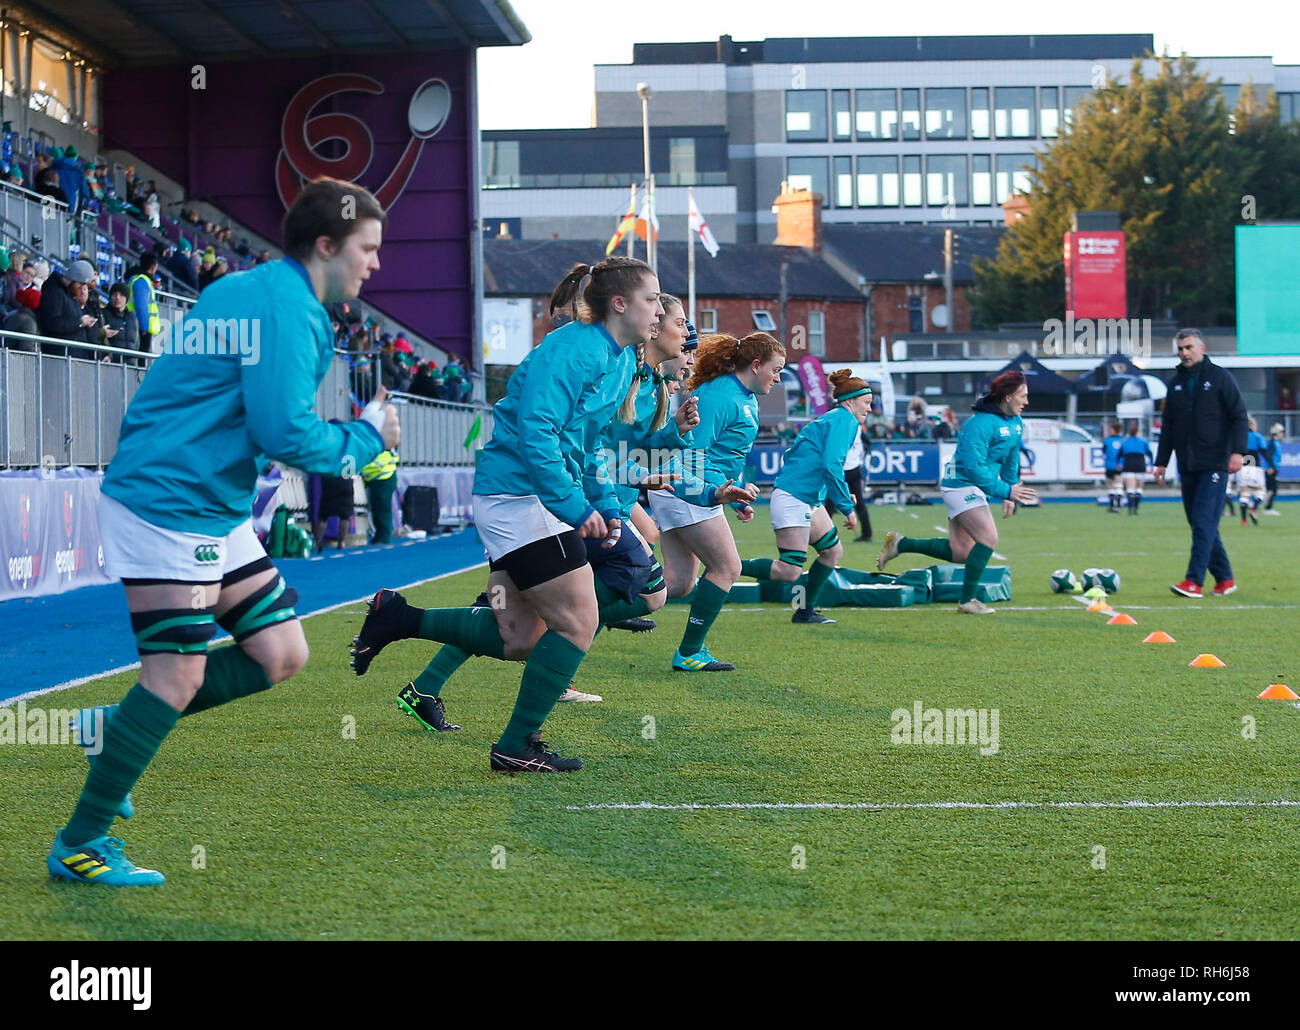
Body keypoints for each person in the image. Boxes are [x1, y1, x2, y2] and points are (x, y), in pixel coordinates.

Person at [45, 177, 399, 886]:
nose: (376, 264)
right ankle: (80, 843)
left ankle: (114, 731)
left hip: (202, 496)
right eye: (368, 248)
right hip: (171, 501)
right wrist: (365, 437)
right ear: (327, 246)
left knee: (280, 651)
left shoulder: (255, 288)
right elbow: (285, 433)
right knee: (176, 677)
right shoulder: (290, 309)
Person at [349, 256, 663, 772]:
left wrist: (604, 503)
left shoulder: (622, 358)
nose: (658, 310)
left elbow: (587, 443)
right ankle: (516, 746)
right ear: (621, 304)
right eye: (652, 299)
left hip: (529, 500)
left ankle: (398, 617)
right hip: (520, 499)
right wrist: (574, 506)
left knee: (519, 637)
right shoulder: (574, 349)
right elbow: (537, 433)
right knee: (579, 621)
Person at [650, 331, 780, 671]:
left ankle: (593, 607)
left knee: (677, 584)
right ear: (755, 365)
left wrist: (734, 496)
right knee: (728, 568)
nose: (778, 378)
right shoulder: (722, 394)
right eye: (775, 369)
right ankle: (690, 653)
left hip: (688, 490)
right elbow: (692, 453)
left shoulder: (745, 397)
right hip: (687, 489)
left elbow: (724, 457)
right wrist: (713, 492)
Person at [877, 370, 1038, 614]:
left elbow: (1011, 458)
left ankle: (901, 544)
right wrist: (1005, 489)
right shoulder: (979, 424)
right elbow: (973, 468)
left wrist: (1010, 488)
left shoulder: (1016, 423)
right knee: (988, 538)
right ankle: (967, 601)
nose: (1026, 401)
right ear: (1007, 396)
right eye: (1022, 396)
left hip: (974, 485)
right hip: (960, 484)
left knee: (962, 552)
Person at [741, 370, 872, 624]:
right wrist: (846, 507)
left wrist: (840, 496)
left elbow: (795, 455)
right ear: (850, 400)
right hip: (794, 498)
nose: (870, 407)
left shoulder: (834, 419)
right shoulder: (845, 420)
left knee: (832, 552)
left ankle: (805, 612)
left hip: (805, 498)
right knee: (789, 570)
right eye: (866, 402)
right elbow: (832, 465)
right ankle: (725, 564)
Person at [1154, 328, 1248, 598]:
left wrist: (1238, 452)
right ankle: (1225, 579)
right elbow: (1168, 426)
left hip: (1215, 463)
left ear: (1202, 348)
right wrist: (1162, 461)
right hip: (1187, 464)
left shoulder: (1221, 378)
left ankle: (1194, 581)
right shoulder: (1175, 384)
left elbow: (1239, 417)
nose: (1184, 353)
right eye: (1180, 348)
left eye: (1188, 347)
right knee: (1199, 522)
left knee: (1204, 521)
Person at [36, 260, 100, 357]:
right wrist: (80, 322)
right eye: (81, 284)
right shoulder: (54, 292)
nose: (82, 289)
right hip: (60, 356)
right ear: (73, 279)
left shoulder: (70, 294)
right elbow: (52, 323)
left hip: (74, 356)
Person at [840, 419, 873, 542]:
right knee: (859, 503)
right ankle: (867, 533)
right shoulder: (858, 428)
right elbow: (867, 443)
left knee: (831, 504)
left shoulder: (838, 428)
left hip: (842, 469)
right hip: (854, 468)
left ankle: (823, 534)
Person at [1236, 416, 1270, 526]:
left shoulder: (1240, 437)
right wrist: (1272, 465)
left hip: (1242, 468)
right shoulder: (1257, 436)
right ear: (1252, 425)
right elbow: (1264, 451)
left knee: (1244, 494)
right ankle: (1254, 509)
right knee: (1261, 492)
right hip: (1255, 468)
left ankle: (1244, 520)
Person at [127, 253, 161, 360]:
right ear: (152, 267)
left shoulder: (137, 279)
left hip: (135, 325)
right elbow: (141, 306)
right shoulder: (141, 282)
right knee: (140, 362)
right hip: (140, 328)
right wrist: (144, 326)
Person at [361, 448, 398, 544]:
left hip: (383, 480)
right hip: (379, 480)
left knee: (382, 510)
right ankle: (380, 535)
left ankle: (384, 537)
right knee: (377, 509)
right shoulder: (382, 447)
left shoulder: (384, 449)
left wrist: (360, 470)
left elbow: (375, 466)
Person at [1119, 421, 1152, 514]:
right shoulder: (1143, 442)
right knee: (1139, 488)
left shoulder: (1125, 442)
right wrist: (1152, 465)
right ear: (1138, 432)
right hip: (1140, 466)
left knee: (1130, 489)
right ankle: (1136, 508)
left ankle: (1130, 508)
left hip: (1128, 466)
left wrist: (1119, 464)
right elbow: (1150, 454)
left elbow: (1119, 455)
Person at [101, 282, 140, 357]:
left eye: (121, 295)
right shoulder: (103, 314)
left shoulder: (133, 317)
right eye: (114, 294)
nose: (117, 297)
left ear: (126, 298)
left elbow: (137, 341)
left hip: (130, 363)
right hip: (110, 363)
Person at [1102, 421, 1124, 513]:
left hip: (1109, 466)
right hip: (1119, 466)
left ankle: (1111, 506)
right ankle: (1118, 506)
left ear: (1114, 430)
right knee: (1118, 485)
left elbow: (1104, 451)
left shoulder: (1107, 441)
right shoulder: (1122, 441)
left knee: (1110, 486)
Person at [1263, 423, 1284, 514]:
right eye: (1282, 432)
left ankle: (1266, 506)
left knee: (1271, 489)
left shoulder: (1275, 443)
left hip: (1273, 468)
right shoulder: (1272, 443)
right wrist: (1271, 467)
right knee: (1272, 489)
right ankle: (1268, 508)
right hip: (1271, 469)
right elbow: (1268, 455)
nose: (1283, 434)